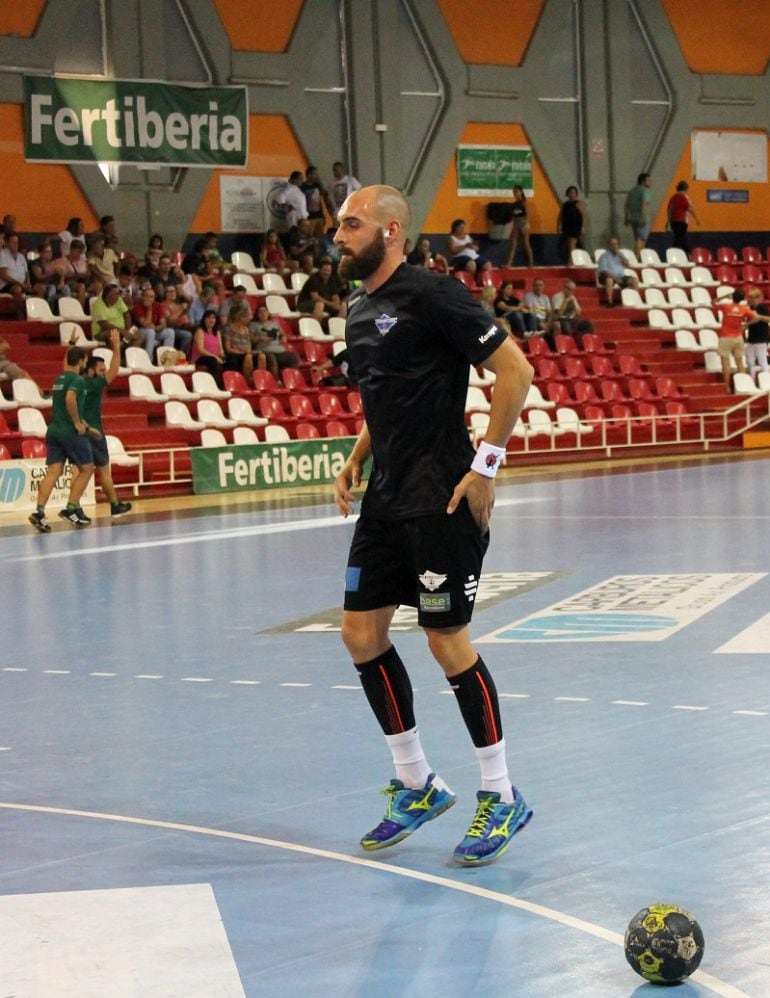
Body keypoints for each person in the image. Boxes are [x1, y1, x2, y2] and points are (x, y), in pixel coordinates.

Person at [332, 184, 535, 865]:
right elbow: (381, 397)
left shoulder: (435, 295)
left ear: (390, 231)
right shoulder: (358, 307)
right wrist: (358, 458)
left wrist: (487, 467)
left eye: (351, 225)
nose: (338, 235)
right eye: (338, 225)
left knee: (446, 640)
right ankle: (416, 782)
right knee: (360, 634)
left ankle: (501, 794)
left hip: (443, 495)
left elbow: (515, 370)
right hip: (386, 498)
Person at [28, 346, 96, 532]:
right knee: (87, 468)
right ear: (81, 361)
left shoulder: (60, 378)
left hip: (53, 431)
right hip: (69, 433)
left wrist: (88, 427)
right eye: (85, 359)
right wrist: (77, 424)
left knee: (53, 472)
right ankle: (71, 508)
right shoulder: (77, 380)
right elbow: (70, 399)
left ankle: (39, 513)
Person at [82, 328, 132, 519]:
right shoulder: (94, 385)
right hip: (94, 431)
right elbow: (114, 370)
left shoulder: (79, 382)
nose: (104, 373)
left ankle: (73, 507)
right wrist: (116, 346)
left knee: (82, 471)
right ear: (91, 370)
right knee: (103, 469)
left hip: (80, 431)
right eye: (100, 370)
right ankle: (114, 504)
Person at [713, 289, 755, 388]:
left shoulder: (726, 307)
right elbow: (755, 317)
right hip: (738, 338)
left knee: (725, 362)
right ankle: (743, 385)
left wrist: (724, 297)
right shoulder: (744, 309)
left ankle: (727, 386)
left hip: (725, 338)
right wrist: (746, 325)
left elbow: (713, 302)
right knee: (739, 362)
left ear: (732, 297)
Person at [250, 304, 300, 380]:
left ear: (268, 313)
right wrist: (260, 338)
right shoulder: (253, 325)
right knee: (271, 358)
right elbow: (251, 338)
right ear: (257, 314)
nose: (263, 313)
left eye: (264, 311)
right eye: (260, 312)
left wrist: (283, 337)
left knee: (294, 357)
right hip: (264, 350)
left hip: (279, 350)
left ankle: (290, 379)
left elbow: (282, 334)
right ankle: (276, 381)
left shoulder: (274, 324)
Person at [92, 284, 143, 349]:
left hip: (123, 330)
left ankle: (129, 356)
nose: (119, 295)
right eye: (117, 293)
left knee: (138, 335)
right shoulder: (98, 304)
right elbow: (104, 325)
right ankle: (115, 356)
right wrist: (122, 332)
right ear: (110, 295)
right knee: (112, 334)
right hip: (103, 332)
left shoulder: (119, 300)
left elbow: (126, 314)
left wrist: (127, 330)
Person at [131, 286, 175, 359]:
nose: (148, 299)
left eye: (151, 297)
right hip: (137, 330)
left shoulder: (157, 305)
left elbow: (164, 324)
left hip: (153, 330)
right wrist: (149, 310)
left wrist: (157, 327)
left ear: (154, 298)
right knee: (150, 332)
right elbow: (145, 324)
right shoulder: (137, 306)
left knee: (170, 332)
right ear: (142, 296)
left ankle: (166, 359)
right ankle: (148, 359)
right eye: (146, 296)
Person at [596, 236, 639, 306]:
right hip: (607, 276)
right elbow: (604, 271)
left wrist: (621, 255)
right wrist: (615, 279)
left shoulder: (620, 254)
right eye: (612, 244)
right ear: (608, 246)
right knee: (609, 280)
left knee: (634, 280)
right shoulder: (604, 256)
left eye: (616, 244)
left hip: (620, 276)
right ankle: (610, 301)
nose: (614, 246)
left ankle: (634, 300)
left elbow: (627, 264)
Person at [222, 299, 257, 385]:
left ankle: (259, 380)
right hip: (234, 353)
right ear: (239, 317)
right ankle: (246, 382)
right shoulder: (229, 329)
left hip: (245, 353)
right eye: (245, 316)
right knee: (248, 357)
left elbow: (248, 344)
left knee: (262, 356)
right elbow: (228, 348)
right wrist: (241, 352)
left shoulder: (246, 329)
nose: (247, 318)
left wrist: (248, 351)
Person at [0, 232, 32, 318]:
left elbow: (26, 272)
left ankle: (34, 314)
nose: (16, 244)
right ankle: (20, 315)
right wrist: (21, 284)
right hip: (7, 286)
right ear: (6, 243)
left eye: (17, 242)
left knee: (41, 288)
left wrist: (28, 282)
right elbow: (3, 275)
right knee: (17, 289)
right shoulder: (2, 255)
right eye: (13, 242)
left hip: (22, 284)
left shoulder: (21, 256)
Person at [191, 308, 226, 381]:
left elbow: (220, 347)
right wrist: (215, 357)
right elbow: (201, 350)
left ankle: (224, 384)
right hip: (200, 357)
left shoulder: (217, 332)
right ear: (204, 319)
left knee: (230, 359)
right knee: (212, 361)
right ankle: (212, 383)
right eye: (208, 317)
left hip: (214, 357)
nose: (211, 320)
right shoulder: (200, 331)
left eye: (213, 318)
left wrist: (222, 356)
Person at [667, 181, 699, 256]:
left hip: (673, 221)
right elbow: (690, 209)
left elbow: (669, 210)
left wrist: (668, 221)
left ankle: (681, 254)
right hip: (682, 221)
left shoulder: (673, 197)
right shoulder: (683, 198)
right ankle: (685, 254)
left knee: (678, 238)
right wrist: (696, 219)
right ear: (685, 189)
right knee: (681, 238)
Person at [556, 185, 587, 263]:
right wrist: (558, 226)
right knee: (568, 246)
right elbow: (560, 216)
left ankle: (570, 263)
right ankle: (573, 261)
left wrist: (583, 227)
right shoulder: (565, 205)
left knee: (572, 245)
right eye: (570, 193)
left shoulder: (579, 204)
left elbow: (584, 216)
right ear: (567, 194)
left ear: (576, 194)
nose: (572, 194)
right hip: (567, 227)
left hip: (575, 227)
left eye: (573, 193)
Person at [505, 186, 534, 267]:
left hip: (523, 223)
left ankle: (531, 264)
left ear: (521, 192)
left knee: (526, 244)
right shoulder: (514, 204)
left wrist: (527, 224)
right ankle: (509, 264)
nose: (515, 193)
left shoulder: (524, 202)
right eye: (514, 192)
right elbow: (513, 216)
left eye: (516, 191)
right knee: (512, 244)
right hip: (516, 224)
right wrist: (513, 226)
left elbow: (528, 214)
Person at [624, 172, 651, 256]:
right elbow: (644, 205)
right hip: (641, 218)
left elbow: (626, 205)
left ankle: (638, 257)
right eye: (648, 180)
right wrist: (643, 218)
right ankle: (638, 258)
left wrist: (626, 218)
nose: (650, 182)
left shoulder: (632, 191)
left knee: (637, 238)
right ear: (643, 182)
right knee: (641, 240)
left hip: (632, 218)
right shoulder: (644, 191)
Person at [744, 288, 769, 380]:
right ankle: (752, 379)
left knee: (762, 360)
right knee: (750, 361)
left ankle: (766, 381)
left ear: (758, 298)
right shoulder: (751, 308)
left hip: (761, 338)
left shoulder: (762, 308)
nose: (750, 300)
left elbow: (768, 319)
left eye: (752, 298)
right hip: (752, 338)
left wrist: (758, 317)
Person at [523, 277, 554, 347]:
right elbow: (531, 311)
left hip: (545, 320)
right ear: (533, 286)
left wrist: (548, 322)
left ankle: (553, 347)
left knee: (556, 325)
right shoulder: (528, 296)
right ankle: (538, 346)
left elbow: (549, 312)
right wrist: (541, 321)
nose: (538, 287)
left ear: (543, 287)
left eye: (540, 285)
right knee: (540, 324)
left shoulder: (545, 298)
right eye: (536, 285)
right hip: (534, 319)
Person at [302, 165, 332, 236]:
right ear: (309, 175)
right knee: (309, 235)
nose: (316, 176)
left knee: (320, 235)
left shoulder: (317, 185)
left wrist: (323, 214)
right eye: (314, 174)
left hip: (319, 215)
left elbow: (321, 200)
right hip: (309, 216)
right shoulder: (303, 187)